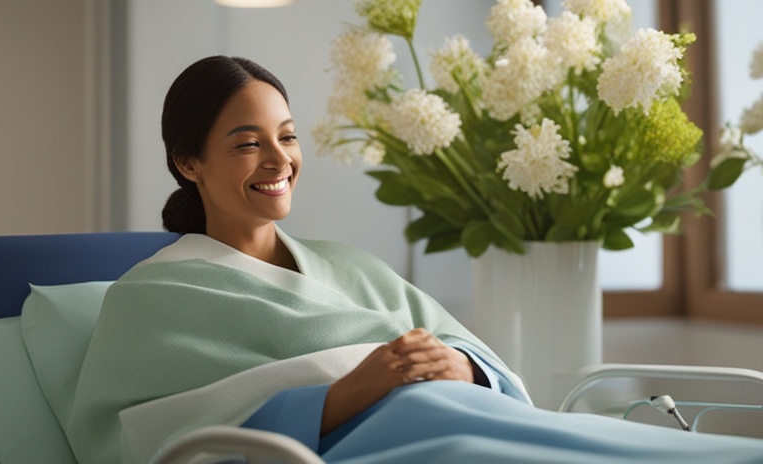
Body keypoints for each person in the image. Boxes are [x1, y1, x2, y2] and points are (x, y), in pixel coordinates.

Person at [66, 56, 763, 463]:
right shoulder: (148, 299)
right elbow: (139, 442)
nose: (280, 160)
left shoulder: (352, 266)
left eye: (286, 136)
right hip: (387, 444)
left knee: (594, 442)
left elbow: (473, 357)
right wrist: (342, 396)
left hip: (456, 408)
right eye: (248, 142)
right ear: (188, 162)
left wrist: (462, 365)